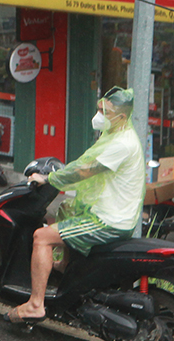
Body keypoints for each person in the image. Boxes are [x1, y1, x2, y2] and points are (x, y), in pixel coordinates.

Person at [11, 87, 144, 322]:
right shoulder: (116, 134)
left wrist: (49, 178)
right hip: (110, 212)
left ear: (122, 117)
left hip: (108, 221)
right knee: (65, 210)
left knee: (41, 237)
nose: (99, 114)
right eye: (99, 108)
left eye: (105, 111)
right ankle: (63, 268)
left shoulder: (121, 144)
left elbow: (84, 171)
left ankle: (35, 305)